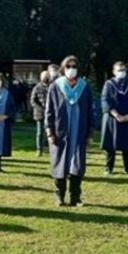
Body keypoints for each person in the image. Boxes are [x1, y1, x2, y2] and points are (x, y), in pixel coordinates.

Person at [46, 56, 95, 207]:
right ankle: (60, 196)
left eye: (74, 66)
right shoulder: (56, 86)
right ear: (63, 68)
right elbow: (49, 111)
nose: (71, 69)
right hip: (60, 133)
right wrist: (49, 132)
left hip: (78, 132)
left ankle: (75, 197)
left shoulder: (84, 87)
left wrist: (90, 133)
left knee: (77, 165)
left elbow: (90, 112)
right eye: (68, 66)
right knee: (59, 165)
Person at [100, 62, 128, 175]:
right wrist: (117, 115)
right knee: (110, 146)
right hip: (113, 118)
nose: (121, 72)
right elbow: (105, 100)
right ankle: (109, 168)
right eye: (119, 70)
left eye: (123, 70)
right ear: (114, 72)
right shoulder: (108, 84)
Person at [31, 71, 51, 156]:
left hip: (51, 113)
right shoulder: (37, 87)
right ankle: (39, 149)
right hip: (40, 114)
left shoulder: (52, 87)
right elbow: (33, 101)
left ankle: (51, 149)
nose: (46, 78)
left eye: (47, 76)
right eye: (44, 76)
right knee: (40, 132)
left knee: (51, 132)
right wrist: (42, 109)